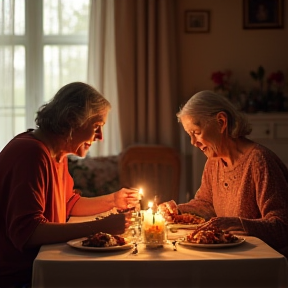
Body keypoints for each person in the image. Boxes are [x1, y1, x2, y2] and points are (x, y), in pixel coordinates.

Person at [0, 82, 139, 287]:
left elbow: (68, 204)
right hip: (20, 276)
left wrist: (113, 200)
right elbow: (28, 233)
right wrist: (100, 227)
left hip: (39, 266)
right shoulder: (31, 153)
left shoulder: (57, 153)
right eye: (96, 126)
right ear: (72, 120)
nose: (100, 137)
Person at [160, 90, 288, 257]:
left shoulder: (259, 161)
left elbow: (282, 227)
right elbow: (206, 204)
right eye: (189, 135)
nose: (193, 142)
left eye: (196, 133)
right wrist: (176, 211)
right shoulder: (214, 162)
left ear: (221, 122)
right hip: (233, 256)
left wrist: (238, 224)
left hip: (263, 261)